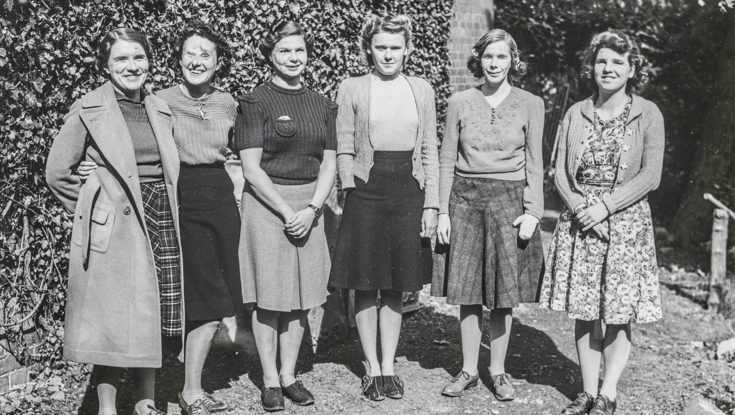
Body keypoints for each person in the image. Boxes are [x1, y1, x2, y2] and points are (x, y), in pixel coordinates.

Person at [45, 28, 183, 415]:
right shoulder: (89, 109)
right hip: (118, 226)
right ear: (105, 66)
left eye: (138, 57)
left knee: (152, 314)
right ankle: (107, 407)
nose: (132, 66)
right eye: (121, 59)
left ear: (149, 61)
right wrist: (97, 206)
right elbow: (57, 173)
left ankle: (144, 402)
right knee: (114, 318)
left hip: (160, 216)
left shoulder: (159, 108)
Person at [539, 30, 664, 415]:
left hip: (624, 225)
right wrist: (579, 207)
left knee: (617, 312)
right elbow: (558, 169)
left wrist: (605, 207)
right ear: (591, 67)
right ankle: (588, 392)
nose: (608, 69)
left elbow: (651, 175)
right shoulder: (576, 112)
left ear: (631, 70)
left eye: (617, 63)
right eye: (602, 61)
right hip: (581, 222)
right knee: (585, 310)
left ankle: (609, 393)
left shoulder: (648, 113)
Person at [329, 14, 439, 401]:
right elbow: (343, 143)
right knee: (365, 282)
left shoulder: (422, 89)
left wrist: (432, 205)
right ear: (368, 50)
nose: (388, 54)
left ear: (407, 49)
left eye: (395, 47)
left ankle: (389, 366)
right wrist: (347, 190)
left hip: (408, 190)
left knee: (395, 284)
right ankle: (370, 367)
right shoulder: (353, 87)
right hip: (366, 189)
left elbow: (429, 149)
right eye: (381, 47)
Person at [433, 29, 545, 401]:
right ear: (478, 60)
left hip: (509, 202)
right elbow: (447, 157)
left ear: (514, 60)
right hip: (465, 199)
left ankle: (497, 371)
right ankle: (467, 369)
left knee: (502, 294)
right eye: (488, 57)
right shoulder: (460, 102)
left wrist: (534, 211)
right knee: (467, 290)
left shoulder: (531, 103)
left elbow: (534, 161)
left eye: (502, 57)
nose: (494, 64)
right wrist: (443, 212)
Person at [232, 21, 336, 412]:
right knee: (269, 298)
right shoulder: (255, 102)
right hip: (267, 205)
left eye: (300, 50)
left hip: (310, 207)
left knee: (300, 297)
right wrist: (285, 209)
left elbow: (329, 164)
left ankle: (290, 375)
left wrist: (311, 210)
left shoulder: (322, 104)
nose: (294, 58)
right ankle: (270, 380)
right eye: (285, 51)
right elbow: (251, 168)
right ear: (270, 55)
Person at [156, 23, 241, 415]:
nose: (197, 61)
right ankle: (190, 391)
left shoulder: (229, 103)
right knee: (205, 298)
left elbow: (247, 151)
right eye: (191, 53)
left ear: (218, 63)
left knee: (221, 293)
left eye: (206, 54)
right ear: (179, 59)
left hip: (222, 200)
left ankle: (191, 385)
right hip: (182, 201)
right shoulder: (159, 101)